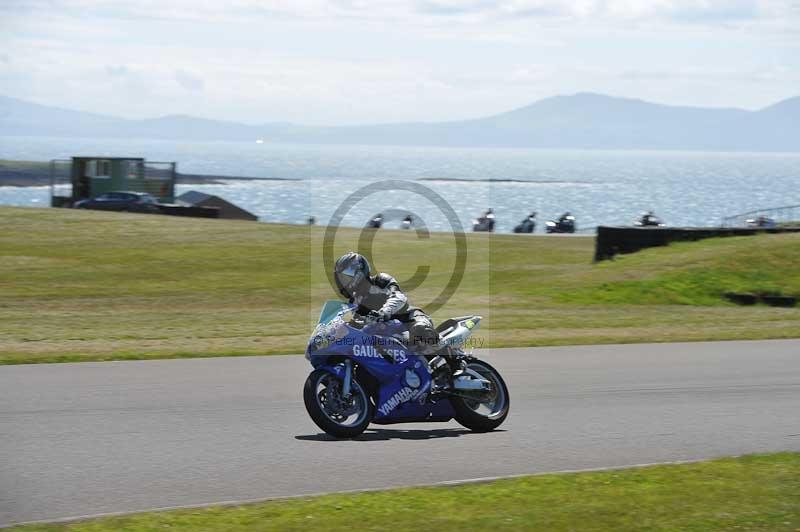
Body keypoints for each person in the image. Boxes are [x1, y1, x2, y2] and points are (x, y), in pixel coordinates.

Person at [334, 252, 440, 358]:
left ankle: (450, 358)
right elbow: (359, 323)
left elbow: (398, 297)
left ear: (359, 274)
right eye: (341, 279)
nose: (343, 283)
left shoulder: (381, 280)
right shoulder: (355, 301)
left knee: (421, 329)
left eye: (346, 279)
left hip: (408, 319)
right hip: (386, 331)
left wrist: (384, 312)